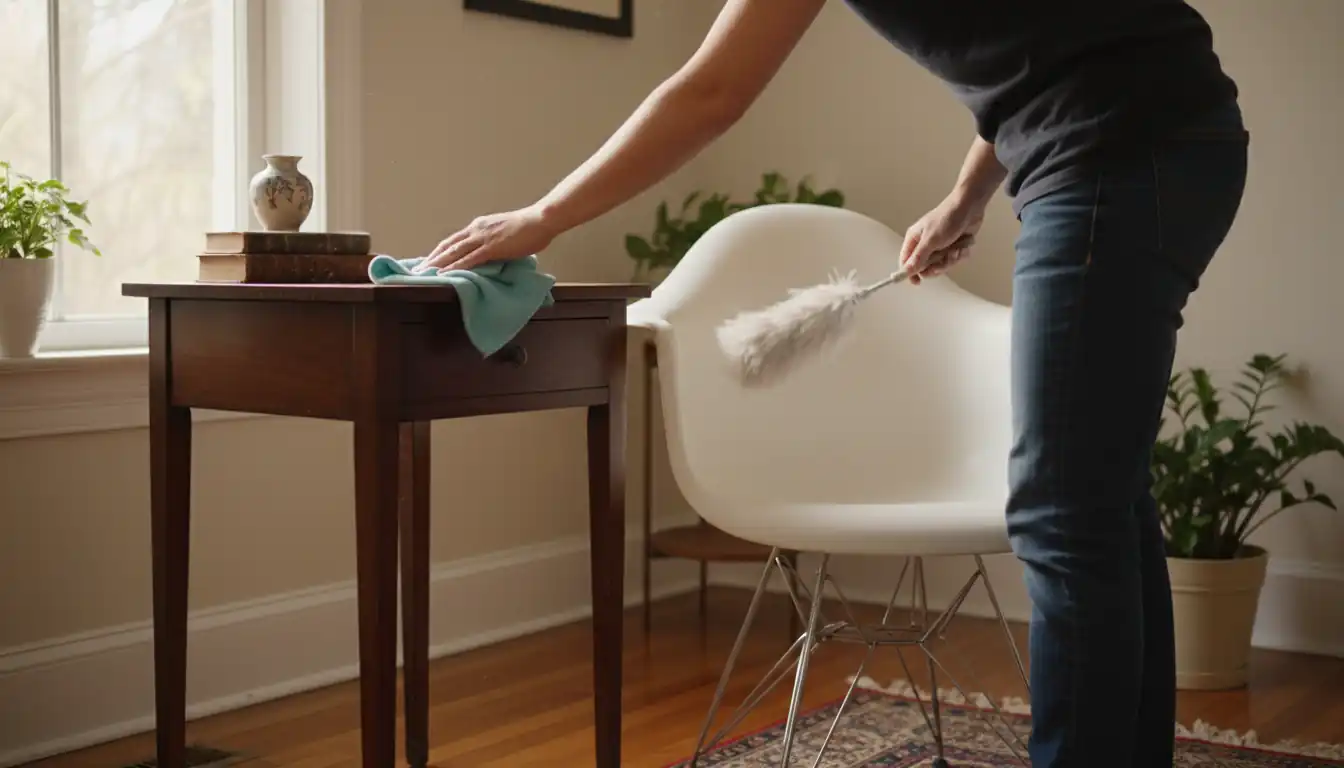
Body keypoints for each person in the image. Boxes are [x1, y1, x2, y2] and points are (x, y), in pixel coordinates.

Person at [418, 1, 1249, 764]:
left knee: (1065, 508)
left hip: (1116, 148)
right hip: (1159, 135)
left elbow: (711, 91)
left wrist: (544, 217)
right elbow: (1052, 42)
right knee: (1100, 498)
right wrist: (966, 196)